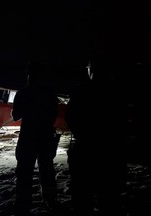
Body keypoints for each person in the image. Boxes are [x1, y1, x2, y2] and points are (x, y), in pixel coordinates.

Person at [65, 63, 128, 216]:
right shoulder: (116, 92)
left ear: (91, 71)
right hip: (110, 152)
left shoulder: (82, 90)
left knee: (83, 200)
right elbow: (122, 122)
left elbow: (70, 117)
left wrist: (82, 134)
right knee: (110, 200)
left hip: (85, 151)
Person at [11, 61, 60, 215]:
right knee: (47, 169)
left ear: (29, 76)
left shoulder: (22, 93)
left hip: (28, 137)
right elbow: (54, 115)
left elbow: (15, 116)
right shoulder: (50, 93)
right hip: (45, 137)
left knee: (24, 172)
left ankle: (23, 203)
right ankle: (50, 200)